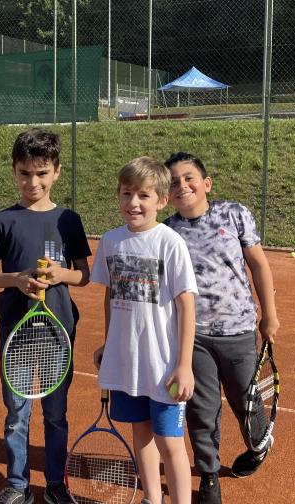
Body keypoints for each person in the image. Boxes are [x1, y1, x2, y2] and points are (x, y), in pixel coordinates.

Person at [0, 128, 91, 504]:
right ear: (14, 172)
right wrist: (16, 279)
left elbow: (84, 275)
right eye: (25, 173)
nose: (33, 182)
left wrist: (62, 275)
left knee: (56, 415)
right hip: (16, 333)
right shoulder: (3, 220)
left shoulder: (69, 220)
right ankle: (17, 484)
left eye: (41, 173)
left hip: (58, 332)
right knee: (16, 416)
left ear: (56, 172)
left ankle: (55, 485)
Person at [163, 152, 280, 504]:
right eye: (173, 182)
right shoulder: (168, 231)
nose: (182, 185)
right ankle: (209, 475)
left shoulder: (234, 214)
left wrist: (269, 314)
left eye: (188, 178)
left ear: (206, 184)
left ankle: (258, 446)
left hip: (240, 330)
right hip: (194, 336)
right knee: (202, 408)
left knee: (247, 402)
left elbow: (258, 265)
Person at [90, 156, 198, 504]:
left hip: (163, 365)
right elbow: (111, 296)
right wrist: (109, 344)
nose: (133, 203)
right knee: (142, 433)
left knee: (170, 442)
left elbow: (187, 306)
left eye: (143, 196)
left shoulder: (170, 243)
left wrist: (184, 365)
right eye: (126, 194)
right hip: (128, 362)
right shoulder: (110, 241)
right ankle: (152, 498)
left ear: (161, 200)